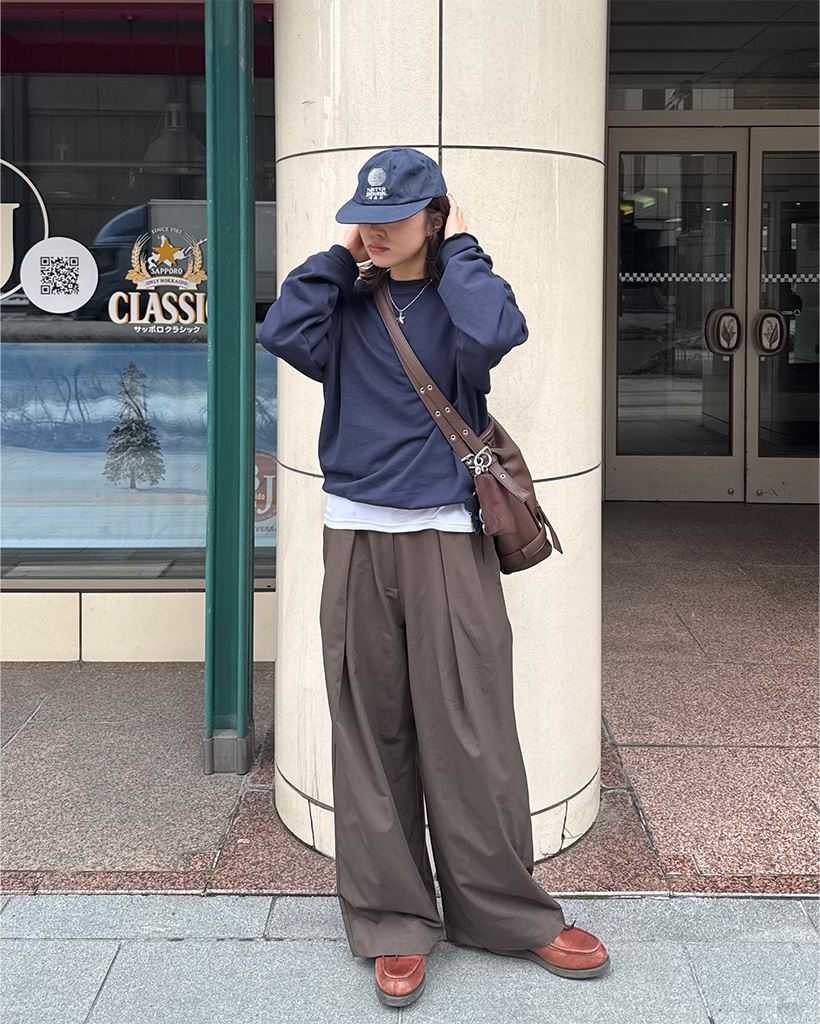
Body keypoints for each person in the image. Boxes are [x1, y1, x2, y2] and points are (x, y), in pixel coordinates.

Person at [258, 147, 610, 1008]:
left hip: (448, 538)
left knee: (473, 735)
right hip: (356, 539)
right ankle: (393, 922)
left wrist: (459, 251)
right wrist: (341, 255)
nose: (375, 230)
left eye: (393, 217)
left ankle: (506, 915)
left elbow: (497, 333)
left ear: (435, 214)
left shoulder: (460, 294)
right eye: (365, 217)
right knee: (371, 734)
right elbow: (282, 331)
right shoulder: (346, 299)